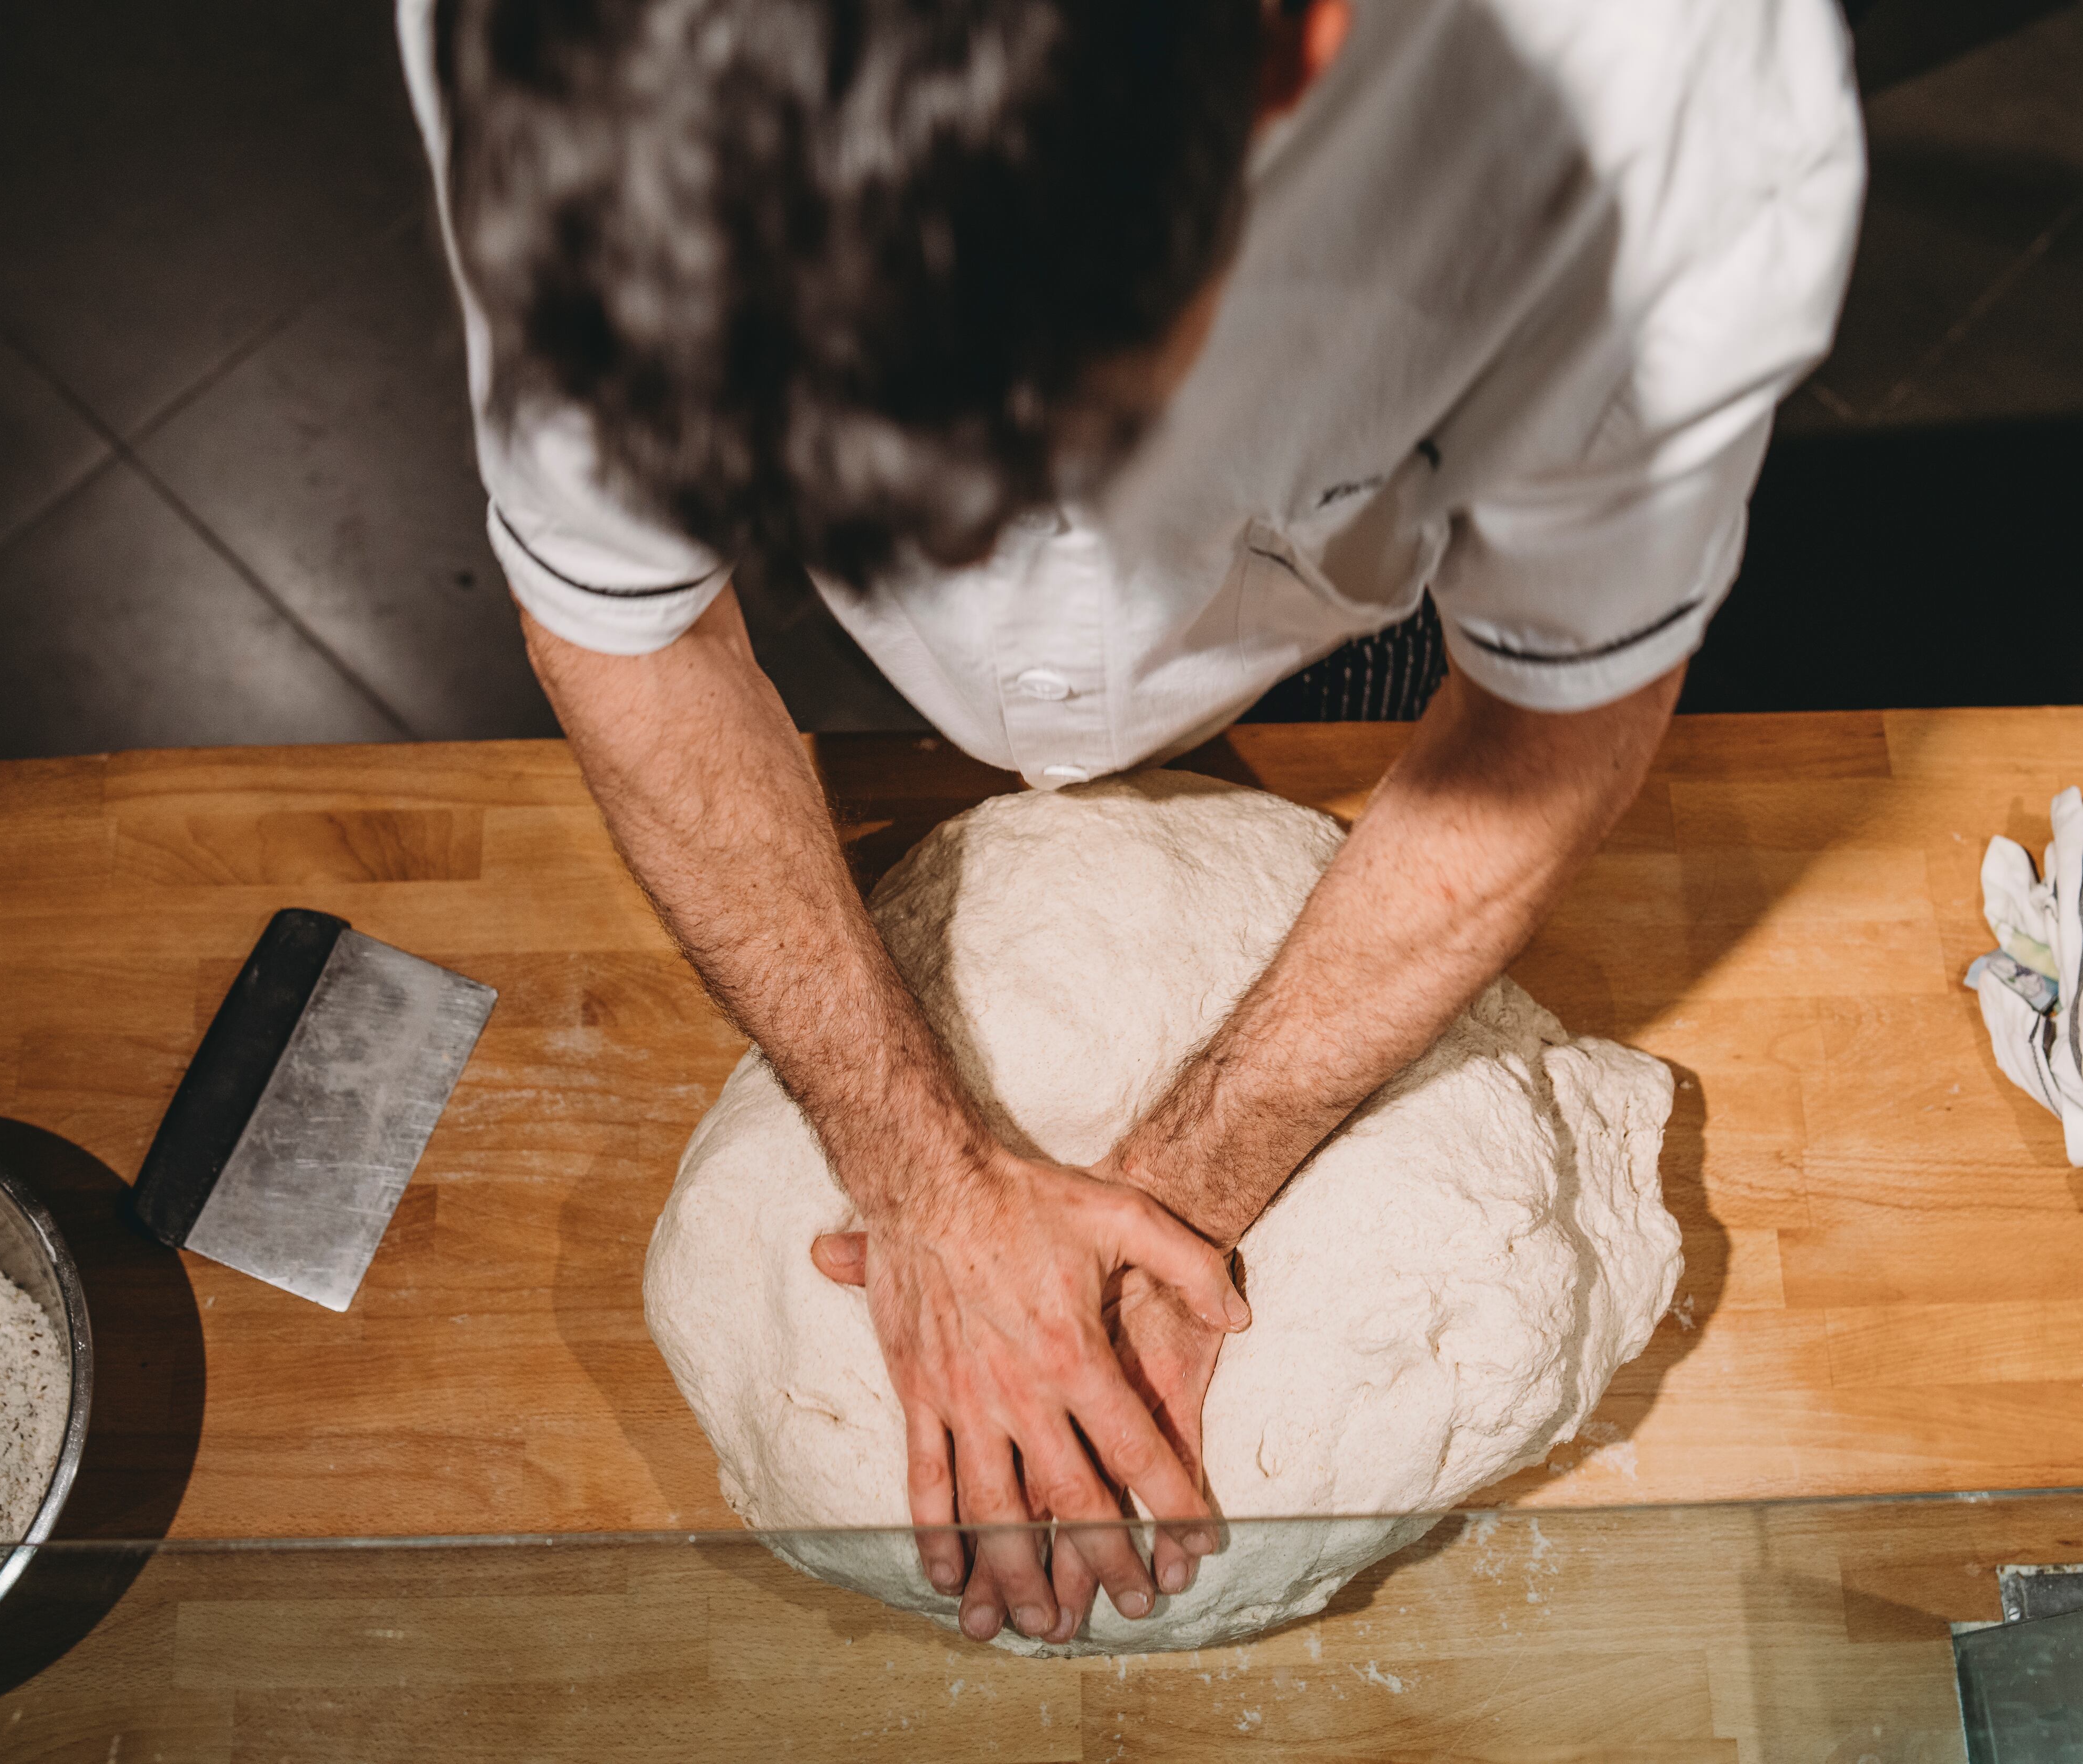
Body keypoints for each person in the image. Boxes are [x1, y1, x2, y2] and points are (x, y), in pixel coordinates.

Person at [401, 0, 1862, 1646]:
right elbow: (640, 637)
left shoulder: (1657, 97)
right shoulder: (578, 68)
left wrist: (1193, 1185)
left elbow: (1549, 718)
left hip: (1343, 640)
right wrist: (920, 1177)